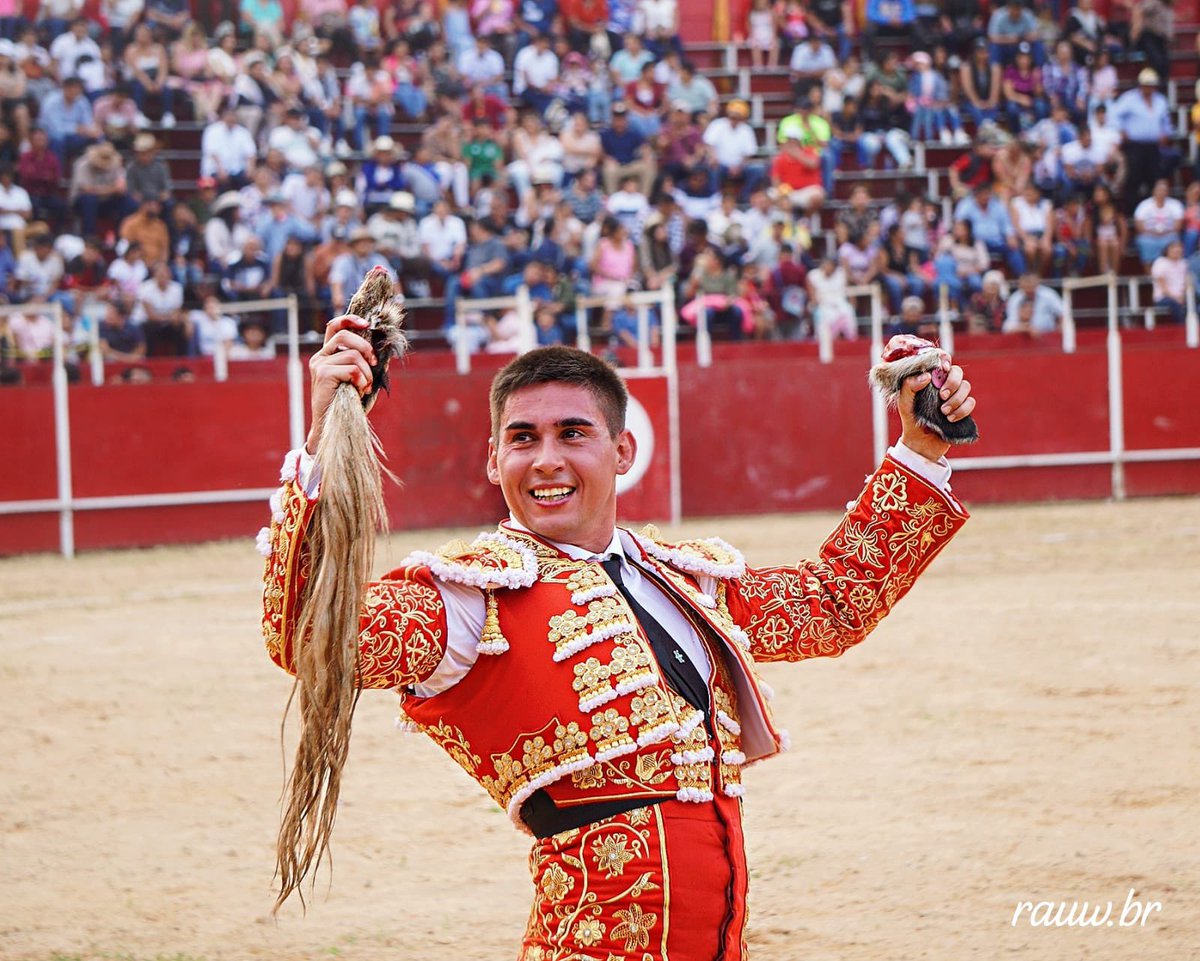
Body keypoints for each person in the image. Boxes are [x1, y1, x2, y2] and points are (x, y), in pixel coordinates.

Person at [259, 337, 976, 958]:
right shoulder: (470, 598)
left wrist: (921, 450)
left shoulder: (685, 578)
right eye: (523, 439)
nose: (546, 460)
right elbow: (310, 636)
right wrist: (327, 437)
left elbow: (830, 605)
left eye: (572, 434)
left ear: (622, 450)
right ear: (494, 459)